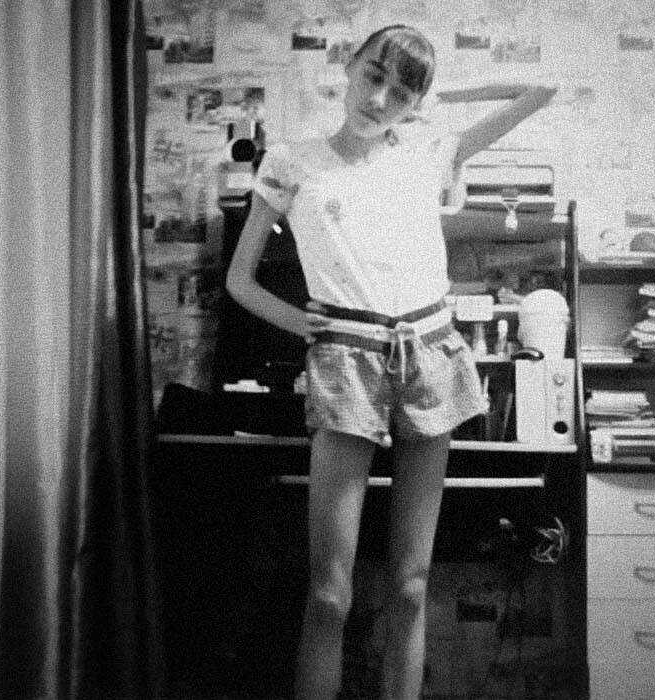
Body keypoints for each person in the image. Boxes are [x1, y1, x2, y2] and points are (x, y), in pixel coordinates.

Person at [225, 24, 556, 700]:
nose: (379, 99)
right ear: (350, 67)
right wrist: (301, 324)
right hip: (346, 359)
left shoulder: (429, 151)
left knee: (410, 586)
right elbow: (239, 280)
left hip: (430, 352)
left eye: (400, 93)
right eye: (374, 76)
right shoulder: (291, 162)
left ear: (416, 103)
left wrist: (436, 95)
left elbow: (541, 87)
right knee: (329, 593)